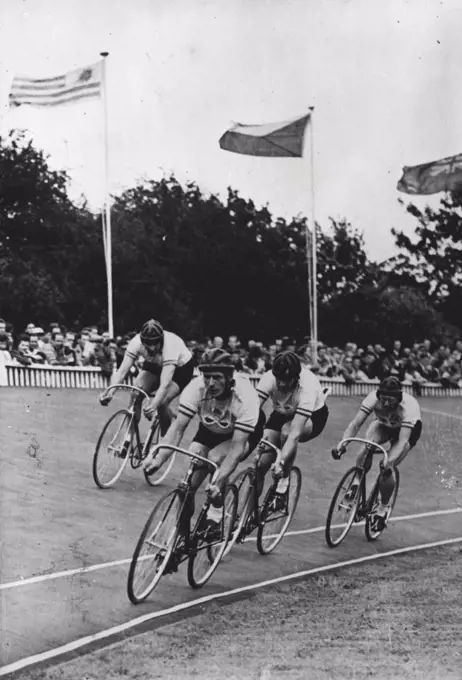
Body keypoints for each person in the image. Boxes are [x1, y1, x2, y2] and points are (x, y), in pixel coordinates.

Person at [143, 348, 265, 534]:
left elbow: (235, 450)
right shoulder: (196, 388)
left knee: (216, 459)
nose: (211, 383)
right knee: (187, 486)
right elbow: (177, 429)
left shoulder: (245, 397)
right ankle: (180, 541)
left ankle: (216, 514)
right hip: (211, 427)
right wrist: (158, 459)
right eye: (207, 377)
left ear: (229, 379)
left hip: (239, 433)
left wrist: (219, 480)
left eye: (217, 377)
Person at [332, 376, 422, 531]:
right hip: (384, 424)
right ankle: (356, 482)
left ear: (398, 398)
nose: (386, 403)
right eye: (383, 399)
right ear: (378, 395)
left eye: (390, 400)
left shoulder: (409, 407)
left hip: (405, 433)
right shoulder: (372, 398)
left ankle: (382, 508)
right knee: (367, 446)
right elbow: (355, 424)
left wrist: (389, 461)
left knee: (386, 466)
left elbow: (402, 441)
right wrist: (343, 444)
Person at [99, 319, 194, 436]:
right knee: (135, 393)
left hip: (180, 369)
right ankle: (128, 439)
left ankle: (164, 443)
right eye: (148, 344)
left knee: (162, 403)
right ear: (142, 341)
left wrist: (153, 405)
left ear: (161, 340)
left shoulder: (171, 345)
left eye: (155, 343)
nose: (152, 348)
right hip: (155, 363)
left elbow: (164, 384)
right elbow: (122, 371)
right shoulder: (135, 343)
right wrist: (110, 391)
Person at [255, 350, 329, 496]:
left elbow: (295, 433)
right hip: (283, 411)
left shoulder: (307, 386)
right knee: (260, 464)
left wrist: (281, 462)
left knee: (287, 432)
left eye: (287, 380)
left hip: (313, 415)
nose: (282, 384)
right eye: (279, 379)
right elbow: (251, 412)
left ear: (296, 377)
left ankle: (285, 479)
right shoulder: (268, 378)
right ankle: (249, 515)